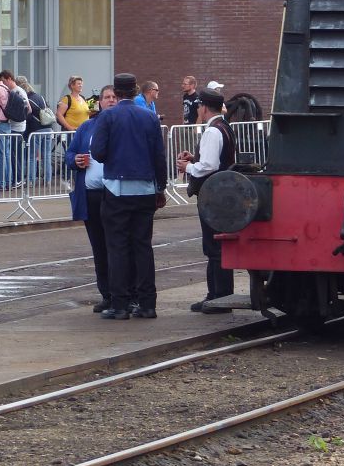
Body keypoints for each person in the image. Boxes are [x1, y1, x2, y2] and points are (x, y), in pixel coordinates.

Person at [91, 72, 167, 320]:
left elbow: (99, 153)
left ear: (118, 91)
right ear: (135, 91)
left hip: (116, 190)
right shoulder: (149, 116)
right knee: (143, 247)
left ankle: (120, 304)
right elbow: (159, 155)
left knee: (118, 248)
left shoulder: (108, 116)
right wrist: (160, 187)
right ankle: (147, 304)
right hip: (145, 189)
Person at [177, 88, 236, 314]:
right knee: (218, 245)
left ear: (202, 107)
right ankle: (220, 295)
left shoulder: (212, 131)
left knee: (213, 246)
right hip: (223, 193)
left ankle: (218, 296)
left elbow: (209, 166)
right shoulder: (225, 127)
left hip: (212, 194)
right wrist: (197, 158)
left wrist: (189, 166)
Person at [67, 85, 117, 313]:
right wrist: (75, 159)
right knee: (99, 246)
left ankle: (122, 293)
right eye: (107, 97)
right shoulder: (87, 127)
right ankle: (106, 293)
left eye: (115, 97)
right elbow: (70, 154)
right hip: (90, 195)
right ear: (99, 103)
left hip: (115, 194)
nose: (111, 101)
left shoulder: (120, 126)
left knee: (115, 245)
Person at [18, 75, 53, 186]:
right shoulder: (40, 97)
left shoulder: (26, 100)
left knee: (32, 156)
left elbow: (27, 116)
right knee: (46, 155)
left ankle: (31, 180)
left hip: (35, 130)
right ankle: (48, 180)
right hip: (48, 128)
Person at [0, 69, 29, 188]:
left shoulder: (18, 92)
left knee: (15, 155)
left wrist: (17, 116)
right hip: (15, 126)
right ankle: (17, 179)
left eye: (4, 81)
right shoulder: (13, 91)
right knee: (13, 154)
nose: (3, 84)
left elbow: (28, 108)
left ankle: (19, 179)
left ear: (9, 78)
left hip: (18, 127)